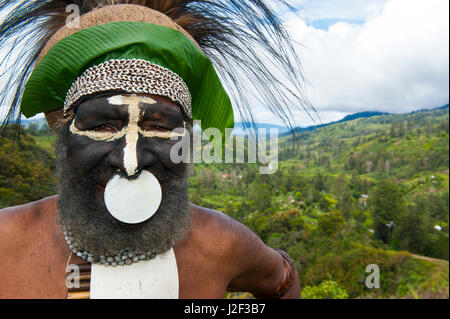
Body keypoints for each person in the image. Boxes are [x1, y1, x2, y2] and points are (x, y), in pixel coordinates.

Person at [0, 0, 309, 299]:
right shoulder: (6, 242)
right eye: (103, 126)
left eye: (159, 128)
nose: (130, 162)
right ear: (65, 139)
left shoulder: (220, 243)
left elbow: (282, 279)